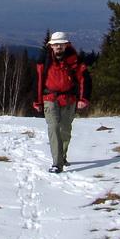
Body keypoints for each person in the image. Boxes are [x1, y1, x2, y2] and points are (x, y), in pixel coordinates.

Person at [32, 31, 91, 173]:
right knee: (53, 128)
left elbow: (84, 79)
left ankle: (62, 156)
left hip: (69, 99)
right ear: (51, 46)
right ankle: (57, 163)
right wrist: (37, 101)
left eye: (61, 44)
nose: (59, 47)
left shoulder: (74, 59)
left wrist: (83, 99)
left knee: (65, 129)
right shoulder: (44, 60)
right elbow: (38, 81)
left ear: (66, 45)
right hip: (49, 99)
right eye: (56, 44)